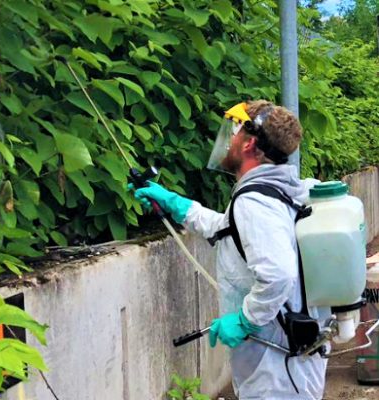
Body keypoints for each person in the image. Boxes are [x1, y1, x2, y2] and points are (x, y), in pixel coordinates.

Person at [133, 100, 329, 399]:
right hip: (290, 356)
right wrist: (176, 205)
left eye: (233, 132)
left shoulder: (255, 202)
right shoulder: (278, 191)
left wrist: (244, 320)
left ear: (249, 144)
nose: (227, 140)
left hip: (276, 365)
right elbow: (228, 231)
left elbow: (278, 275)